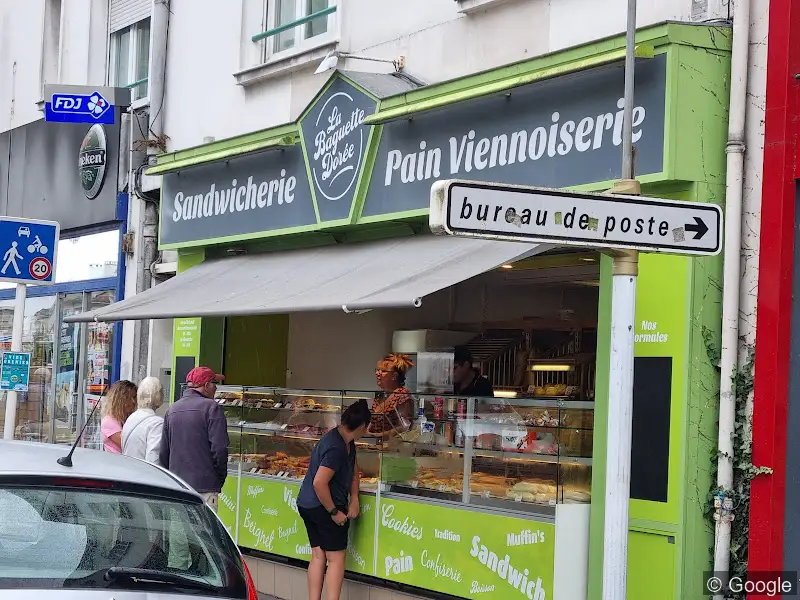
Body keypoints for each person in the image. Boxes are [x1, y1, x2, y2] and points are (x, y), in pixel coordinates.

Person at [296, 399, 371, 600]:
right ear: (362, 426)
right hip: (323, 505)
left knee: (318, 555)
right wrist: (334, 512)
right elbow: (319, 483)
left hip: (307, 503)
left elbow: (354, 471)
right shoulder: (336, 447)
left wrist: (354, 498)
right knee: (336, 559)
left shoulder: (345, 441)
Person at [159, 366, 228, 511]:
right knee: (205, 525)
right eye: (214, 383)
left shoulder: (171, 410)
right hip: (205, 486)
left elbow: (164, 453)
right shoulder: (212, 408)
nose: (216, 388)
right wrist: (218, 479)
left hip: (178, 485)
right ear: (206, 385)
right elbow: (220, 449)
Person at [367, 353, 414, 439]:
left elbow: (405, 427)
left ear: (394, 376)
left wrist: (380, 435)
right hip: (376, 444)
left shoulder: (402, 396)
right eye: (377, 370)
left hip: (393, 445)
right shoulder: (381, 395)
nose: (377, 373)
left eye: (383, 371)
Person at [122, 376, 165, 465]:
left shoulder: (131, 418)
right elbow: (153, 459)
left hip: (128, 469)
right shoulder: (157, 423)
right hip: (143, 472)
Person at [100, 380, 137, 454]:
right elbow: (128, 445)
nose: (133, 401)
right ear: (120, 400)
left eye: (134, 397)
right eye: (129, 398)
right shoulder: (110, 421)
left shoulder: (125, 418)